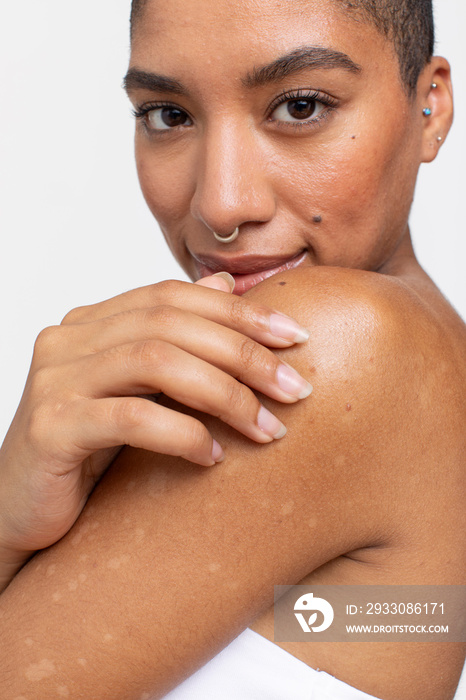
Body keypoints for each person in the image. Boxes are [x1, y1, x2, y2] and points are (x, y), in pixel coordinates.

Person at [0, 0, 464, 698]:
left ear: (429, 106)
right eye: (169, 114)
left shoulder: (335, 344)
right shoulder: (435, 357)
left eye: (301, 106)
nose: (221, 203)